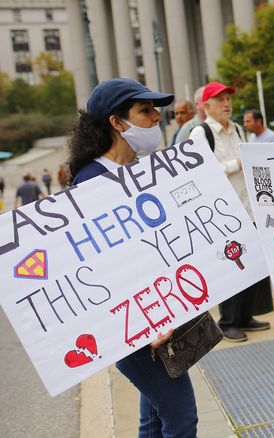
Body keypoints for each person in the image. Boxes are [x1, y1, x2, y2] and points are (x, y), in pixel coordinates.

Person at [67, 77, 198, 437]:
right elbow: (102, 269)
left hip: (158, 318)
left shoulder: (139, 169)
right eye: (145, 110)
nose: (157, 116)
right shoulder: (92, 183)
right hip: (135, 327)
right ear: (116, 122)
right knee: (181, 418)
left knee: (155, 417)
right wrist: (148, 318)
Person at [190, 82, 271, 343]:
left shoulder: (236, 129)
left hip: (248, 208)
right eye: (220, 99)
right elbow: (203, 170)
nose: (227, 104)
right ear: (206, 106)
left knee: (252, 265)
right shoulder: (200, 133)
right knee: (232, 267)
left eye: (228, 99)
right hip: (223, 215)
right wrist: (237, 164)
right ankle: (228, 322)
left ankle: (246, 316)